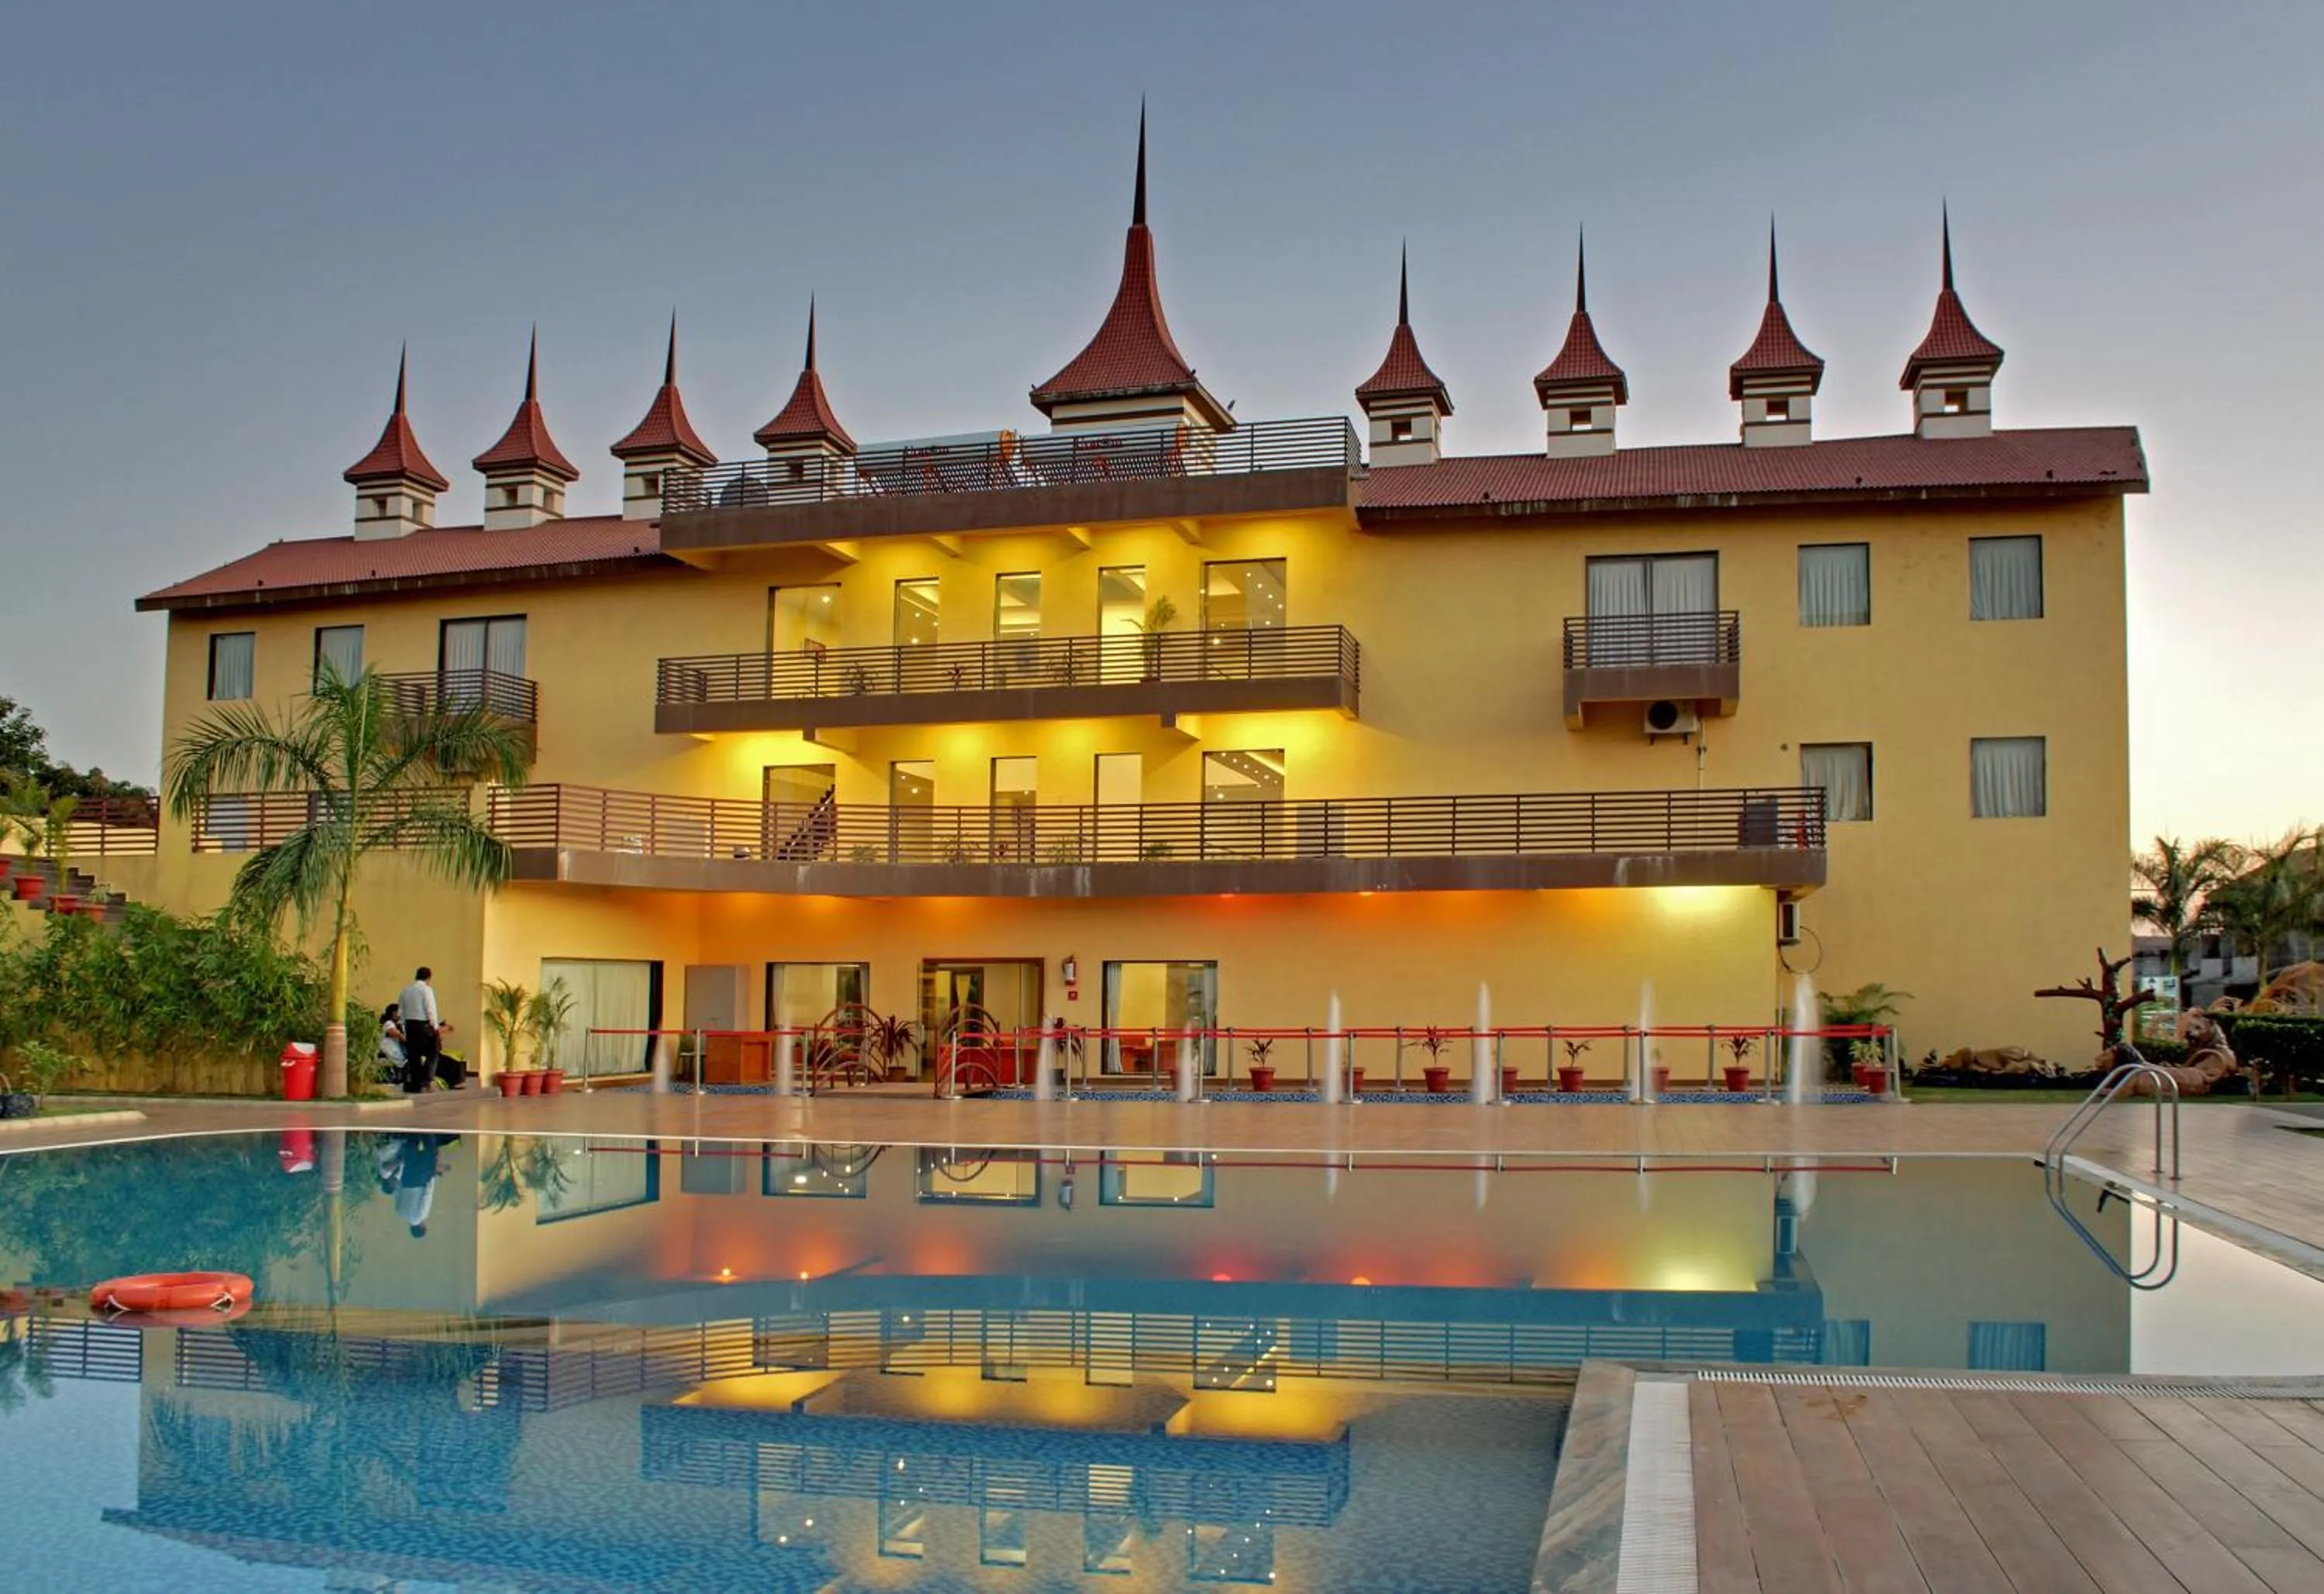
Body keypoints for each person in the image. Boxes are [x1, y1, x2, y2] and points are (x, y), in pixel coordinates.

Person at [397, 967, 445, 1094]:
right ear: (428, 978)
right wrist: (435, 1028)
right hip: (423, 1025)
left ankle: (415, 1083)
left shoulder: (405, 991)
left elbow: (400, 1012)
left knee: (414, 1055)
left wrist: (403, 1028)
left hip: (410, 1026)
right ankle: (425, 1081)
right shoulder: (427, 990)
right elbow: (430, 1010)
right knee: (434, 1051)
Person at [376, 1004, 407, 1086]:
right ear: (394, 1013)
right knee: (400, 1060)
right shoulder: (388, 1023)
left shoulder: (397, 1023)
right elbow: (393, 1031)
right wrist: (402, 1037)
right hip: (388, 1048)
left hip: (393, 1048)